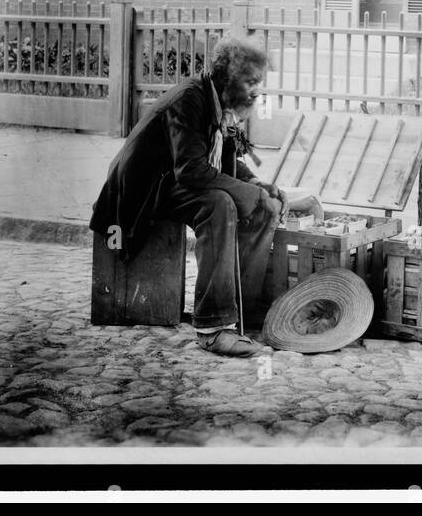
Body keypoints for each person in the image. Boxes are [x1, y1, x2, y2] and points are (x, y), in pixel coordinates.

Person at [90, 36, 286, 358]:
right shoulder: (189, 100)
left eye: (258, 83)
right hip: (139, 195)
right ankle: (211, 329)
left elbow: (217, 158)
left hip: (167, 183)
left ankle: (241, 312)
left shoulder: (214, 101)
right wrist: (249, 193)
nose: (256, 91)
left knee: (250, 203)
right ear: (228, 79)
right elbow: (192, 170)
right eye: (250, 82)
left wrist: (256, 184)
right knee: (219, 205)